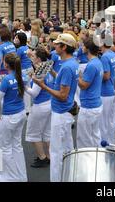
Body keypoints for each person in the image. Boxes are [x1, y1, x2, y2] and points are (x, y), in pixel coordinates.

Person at [33, 33, 79, 182]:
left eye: (57, 43)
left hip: (61, 112)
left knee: (56, 151)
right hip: (65, 112)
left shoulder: (66, 67)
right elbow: (62, 81)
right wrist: (51, 71)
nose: (54, 45)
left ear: (64, 47)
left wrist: (42, 85)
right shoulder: (71, 63)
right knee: (67, 149)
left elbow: (62, 95)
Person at [0, 53, 28, 182]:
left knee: (4, 147)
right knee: (17, 145)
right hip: (21, 113)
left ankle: (8, 177)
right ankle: (20, 176)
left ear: (6, 64)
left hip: (10, 116)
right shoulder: (23, 76)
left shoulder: (7, 80)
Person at [24, 47, 52, 168]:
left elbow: (34, 92)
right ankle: (50, 155)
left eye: (34, 56)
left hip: (40, 105)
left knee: (33, 132)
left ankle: (42, 157)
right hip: (49, 103)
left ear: (39, 59)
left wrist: (24, 85)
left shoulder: (40, 71)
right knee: (47, 132)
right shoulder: (48, 66)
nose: (32, 58)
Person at [77, 36, 104, 149]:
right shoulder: (97, 62)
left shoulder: (92, 64)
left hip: (89, 106)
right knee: (95, 136)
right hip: (95, 103)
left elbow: (84, 86)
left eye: (83, 45)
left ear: (87, 48)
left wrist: (77, 76)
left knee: (85, 140)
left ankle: (88, 164)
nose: (81, 47)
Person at [99, 32, 115, 147]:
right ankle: (111, 144)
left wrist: (95, 76)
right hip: (111, 90)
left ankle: (105, 146)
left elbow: (106, 76)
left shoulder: (105, 57)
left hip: (105, 92)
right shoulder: (113, 54)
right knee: (110, 122)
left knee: (103, 123)